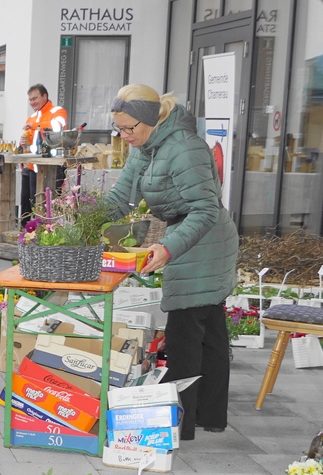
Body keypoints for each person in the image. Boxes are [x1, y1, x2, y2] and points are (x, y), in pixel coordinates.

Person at [106, 84, 238, 440]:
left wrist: (167, 247)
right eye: (119, 128)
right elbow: (121, 197)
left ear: (150, 120)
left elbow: (205, 209)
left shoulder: (184, 148)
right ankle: (210, 416)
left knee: (184, 334)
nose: (124, 136)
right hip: (187, 235)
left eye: (129, 128)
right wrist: (84, 219)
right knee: (208, 327)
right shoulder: (144, 146)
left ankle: (182, 425)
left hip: (204, 240)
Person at [20, 84, 67, 223]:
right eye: (30, 99)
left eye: (35, 98)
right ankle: (25, 230)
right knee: (27, 204)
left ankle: (45, 231)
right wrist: (24, 142)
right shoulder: (31, 117)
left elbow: (56, 129)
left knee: (45, 205)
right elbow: (30, 143)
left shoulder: (57, 111)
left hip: (50, 166)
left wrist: (35, 126)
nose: (32, 102)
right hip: (31, 166)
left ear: (45, 96)